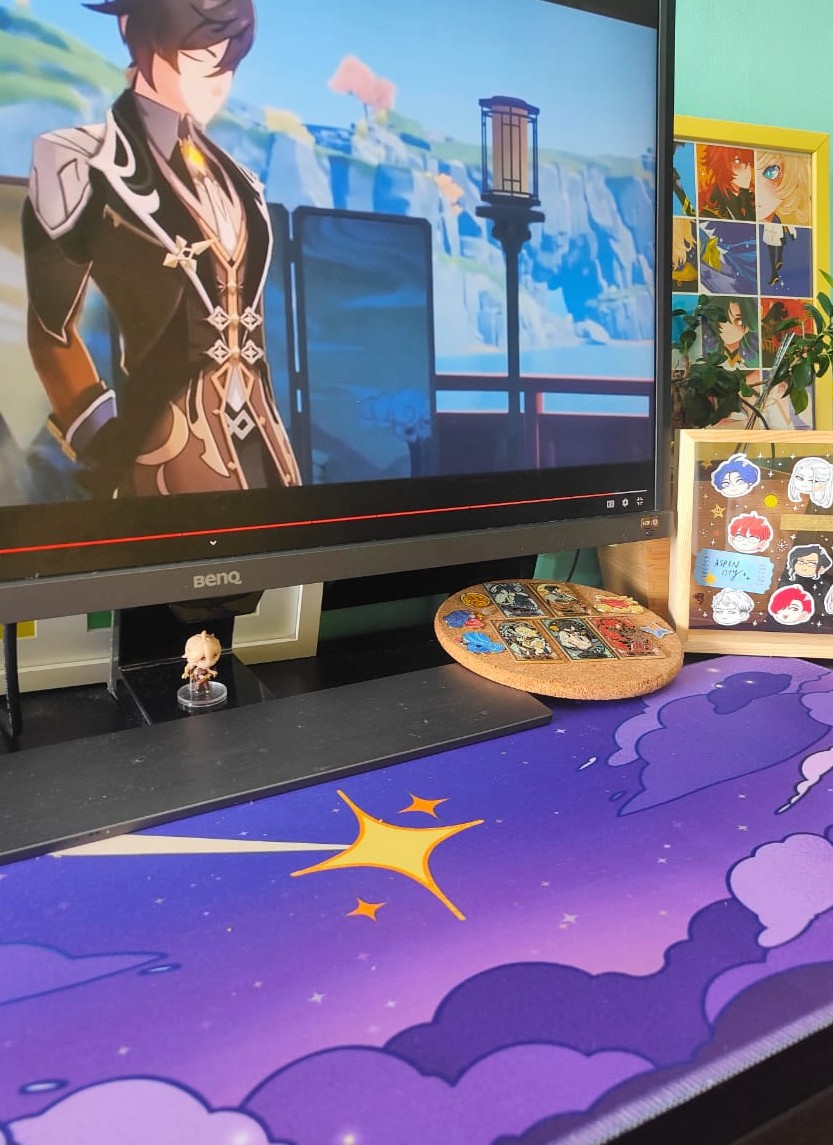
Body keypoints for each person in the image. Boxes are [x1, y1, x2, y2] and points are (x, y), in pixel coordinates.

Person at [22, 0, 301, 498]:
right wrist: (110, 448)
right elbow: (51, 333)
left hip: (267, 461)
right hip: (162, 466)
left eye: (228, 63)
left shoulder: (242, 183)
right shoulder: (81, 162)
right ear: (142, 37)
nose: (217, 82)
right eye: (200, 58)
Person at [698, 144, 755, 221]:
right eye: (737, 162)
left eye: (749, 164)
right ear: (721, 164)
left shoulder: (750, 198)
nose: (747, 170)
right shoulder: (711, 202)